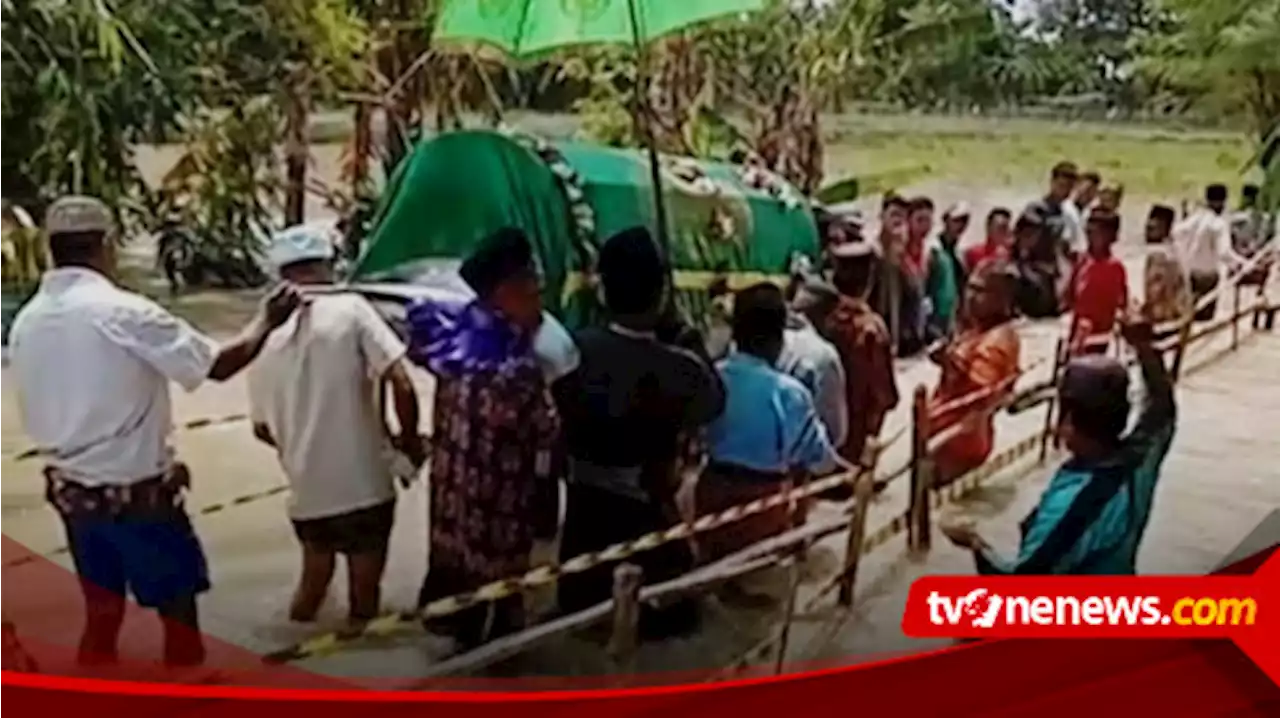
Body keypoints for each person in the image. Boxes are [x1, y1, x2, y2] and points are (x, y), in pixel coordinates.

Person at [9, 196, 303, 668]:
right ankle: (184, 700)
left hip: (73, 494)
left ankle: (97, 698)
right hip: (138, 494)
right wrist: (266, 321)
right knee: (179, 621)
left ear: (51, 249)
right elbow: (218, 366)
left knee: (101, 616)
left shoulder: (27, 321)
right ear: (107, 245)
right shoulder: (126, 312)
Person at [246, 225, 424, 629]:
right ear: (328, 263)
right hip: (364, 488)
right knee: (364, 606)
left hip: (307, 491)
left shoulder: (265, 330)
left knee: (309, 593)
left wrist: (300, 451)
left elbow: (261, 428)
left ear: (281, 271)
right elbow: (402, 382)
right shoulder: (352, 308)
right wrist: (408, 444)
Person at [553, 227, 724, 637]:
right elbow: (714, 401)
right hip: (649, 534)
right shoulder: (681, 368)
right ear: (661, 293)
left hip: (583, 538)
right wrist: (687, 337)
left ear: (603, 290)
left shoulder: (573, 349)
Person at [410, 227, 561, 649]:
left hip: (451, 518)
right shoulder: (517, 369)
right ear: (507, 292)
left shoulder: (451, 336)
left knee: (457, 633)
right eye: (534, 291)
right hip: (497, 527)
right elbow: (548, 437)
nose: (540, 303)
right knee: (498, 649)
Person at [943, 313, 1176, 575]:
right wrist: (1145, 348)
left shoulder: (1077, 504)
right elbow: (1162, 411)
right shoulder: (1136, 461)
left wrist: (975, 543)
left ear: (1068, 421)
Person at [698, 283, 843, 563]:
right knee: (761, 581)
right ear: (779, 338)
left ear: (736, 332)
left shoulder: (711, 377)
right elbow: (818, 457)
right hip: (763, 505)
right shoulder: (789, 393)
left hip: (710, 493)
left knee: (711, 575)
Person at [928, 262, 1022, 487]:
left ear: (1002, 299)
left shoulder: (997, 340)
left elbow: (979, 394)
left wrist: (948, 362)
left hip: (959, 440)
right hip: (947, 437)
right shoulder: (976, 330)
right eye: (971, 288)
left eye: (981, 291)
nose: (971, 296)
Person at [829, 241, 901, 473]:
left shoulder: (822, 317)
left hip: (826, 438)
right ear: (870, 280)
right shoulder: (871, 329)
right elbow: (883, 392)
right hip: (857, 437)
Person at [778, 276, 849, 451]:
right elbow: (835, 434)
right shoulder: (823, 355)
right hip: (798, 466)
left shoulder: (757, 339)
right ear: (827, 318)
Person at [1173, 184, 1242, 321]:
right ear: (1221, 202)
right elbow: (1224, 253)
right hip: (1208, 277)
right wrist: (1242, 263)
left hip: (1191, 274)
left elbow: (1176, 232)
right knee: (1205, 319)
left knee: (1190, 314)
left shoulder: (1196, 218)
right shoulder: (1219, 225)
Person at [1065, 211, 1128, 356]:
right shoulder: (1081, 262)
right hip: (1077, 330)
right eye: (1088, 232)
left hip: (1100, 334)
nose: (1090, 237)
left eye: (1096, 233)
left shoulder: (1115, 268)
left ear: (1111, 237)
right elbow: (1069, 296)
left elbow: (1121, 302)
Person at [1142, 205, 1192, 338]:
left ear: (1165, 229)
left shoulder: (1159, 256)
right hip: (1179, 315)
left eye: (1152, 229)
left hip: (1167, 321)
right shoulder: (1173, 248)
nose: (1146, 233)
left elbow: (1156, 295)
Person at [926, 202, 968, 341]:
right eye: (956, 220)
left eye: (964, 221)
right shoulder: (933, 250)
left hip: (953, 315)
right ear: (946, 221)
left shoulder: (959, 253)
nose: (960, 225)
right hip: (935, 315)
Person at [1011, 210, 1062, 319]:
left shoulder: (1041, 256)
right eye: (1027, 234)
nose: (1031, 239)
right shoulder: (1007, 256)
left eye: (1035, 236)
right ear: (1018, 233)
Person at [964, 208, 1014, 273]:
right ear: (988, 227)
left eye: (1006, 227)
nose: (1005, 231)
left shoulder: (1010, 254)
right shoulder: (973, 253)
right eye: (1001, 227)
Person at [1065, 170, 1101, 258]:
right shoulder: (1065, 208)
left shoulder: (1092, 213)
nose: (1088, 194)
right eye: (1086, 189)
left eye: (1092, 191)